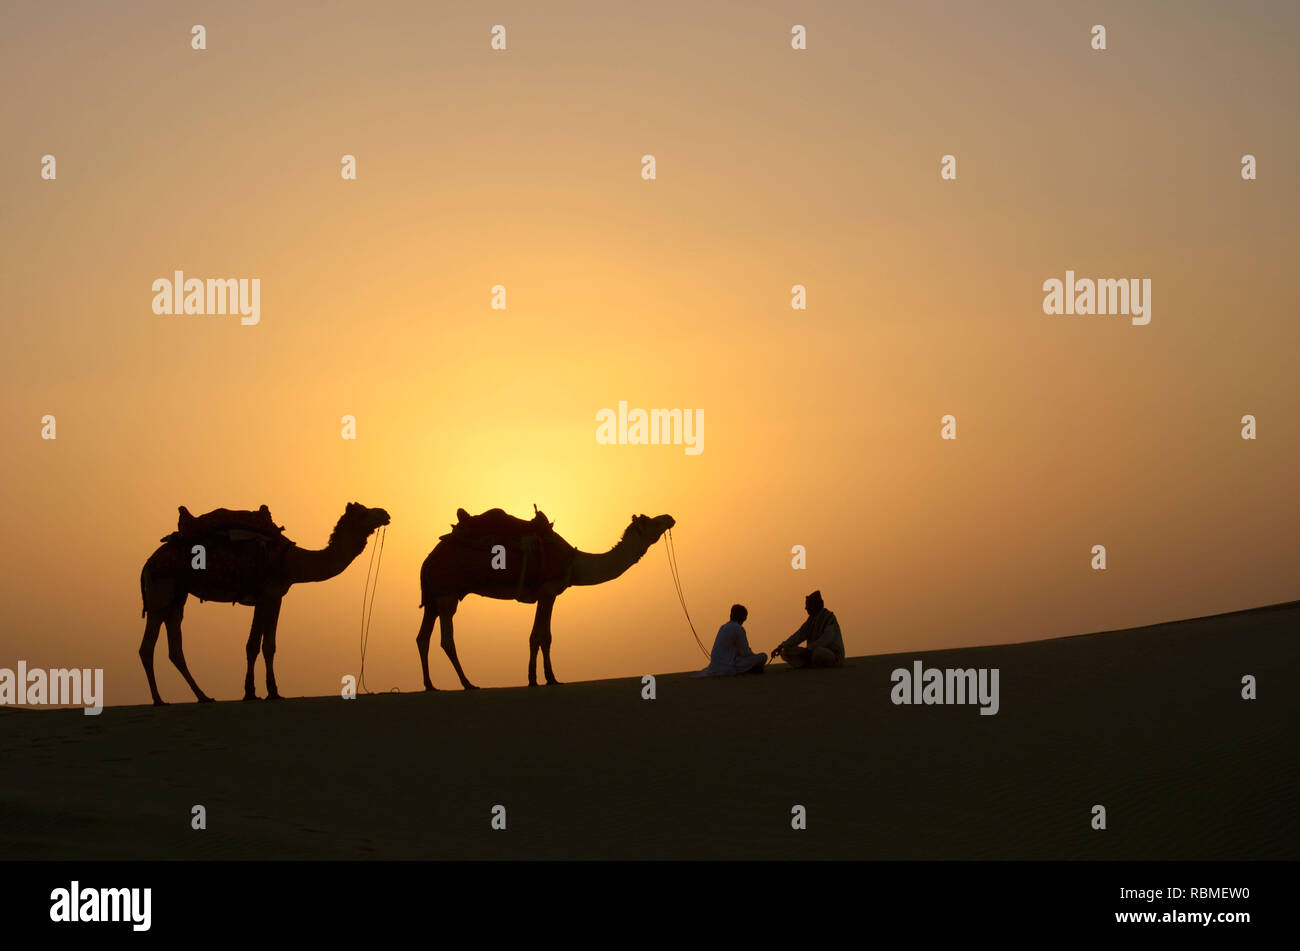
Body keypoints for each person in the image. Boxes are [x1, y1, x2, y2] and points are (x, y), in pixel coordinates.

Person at [772, 590, 844, 668]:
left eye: (808, 605)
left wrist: (810, 649)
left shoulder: (829, 618)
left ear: (815, 605)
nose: (805, 608)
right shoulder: (810, 621)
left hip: (832, 656)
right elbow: (798, 636)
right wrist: (781, 646)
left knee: (818, 651)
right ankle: (808, 664)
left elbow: (827, 638)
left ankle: (812, 663)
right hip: (811, 653)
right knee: (785, 651)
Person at [692, 604, 767, 677]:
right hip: (729, 667)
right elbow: (745, 652)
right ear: (743, 618)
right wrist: (754, 659)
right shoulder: (738, 629)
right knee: (763, 656)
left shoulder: (723, 627)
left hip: (716, 666)